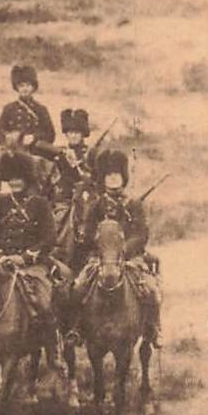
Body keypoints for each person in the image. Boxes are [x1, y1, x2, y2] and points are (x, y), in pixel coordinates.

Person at [69, 149, 162, 348]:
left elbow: (141, 234)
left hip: (130, 258)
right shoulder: (96, 205)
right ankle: (77, 328)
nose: (112, 179)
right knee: (78, 287)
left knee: (151, 289)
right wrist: (88, 238)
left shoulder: (134, 204)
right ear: (103, 178)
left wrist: (123, 250)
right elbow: (88, 232)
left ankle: (153, 329)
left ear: (123, 177)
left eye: (116, 175)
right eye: (108, 175)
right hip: (101, 258)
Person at [0, 150, 59, 327]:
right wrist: (1, 256)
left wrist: (24, 258)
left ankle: (52, 346)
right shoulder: (1, 202)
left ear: (27, 179)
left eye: (19, 178)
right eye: (11, 178)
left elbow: (49, 237)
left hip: (32, 265)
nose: (15, 182)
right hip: (3, 263)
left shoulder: (40, 203)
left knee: (43, 302)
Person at [0, 64, 56, 163]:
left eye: (28, 85)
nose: (24, 89)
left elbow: (50, 134)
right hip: (12, 152)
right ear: (16, 88)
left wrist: (34, 138)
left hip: (34, 152)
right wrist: (9, 139)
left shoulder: (41, 109)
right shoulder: (9, 109)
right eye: (21, 86)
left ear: (33, 87)